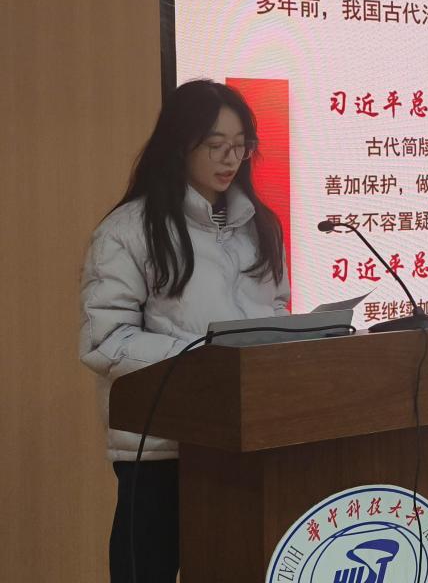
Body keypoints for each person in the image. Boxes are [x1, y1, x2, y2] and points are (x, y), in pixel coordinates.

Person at [79, 80, 289, 582]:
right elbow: (105, 340)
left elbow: (276, 312)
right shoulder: (128, 230)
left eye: (240, 145)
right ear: (180, 145)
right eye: (216, 145)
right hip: (160, 448)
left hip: (243, 440)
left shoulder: (260, 225)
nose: (231, 158)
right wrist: (202, 357)